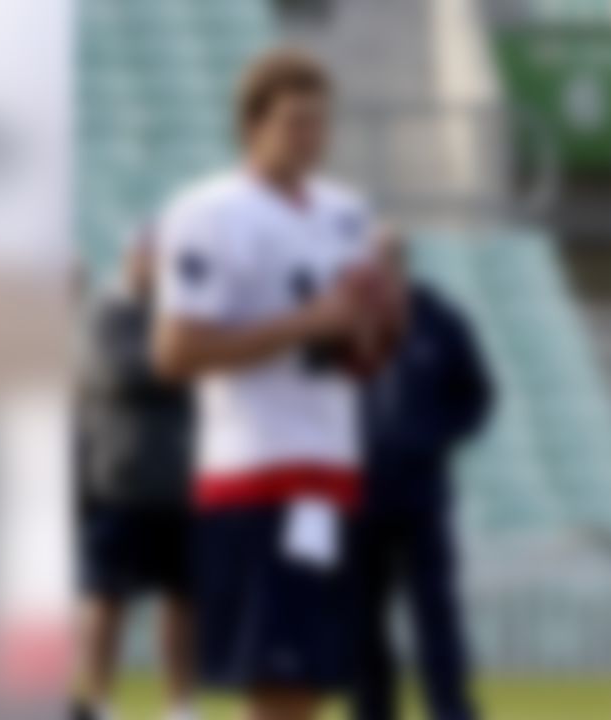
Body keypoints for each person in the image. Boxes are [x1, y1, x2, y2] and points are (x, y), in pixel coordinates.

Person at [150, 48, 401, 720]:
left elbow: (361, 352)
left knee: (309, 682)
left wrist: (379, 317)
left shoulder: (346, 210)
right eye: (294, 122)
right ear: (251, 126)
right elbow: (175, 352)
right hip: (257, 468)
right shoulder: (207, 212)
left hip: (331, 464)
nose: (311, 137)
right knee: (280, 683)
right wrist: (309, 320)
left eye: (320, 123)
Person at [352, 266, 494, 720]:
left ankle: (451, 710)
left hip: (423, 496)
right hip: (355, 498)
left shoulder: (440, 319)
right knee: (360, 620)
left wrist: (434, 436)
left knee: (436, 616)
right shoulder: (337, 319)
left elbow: (477, 394)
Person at [72, 232, 198, 720]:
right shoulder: (106, 311)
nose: (156, 265)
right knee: (107, 600)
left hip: (180, 481)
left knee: (183, 601)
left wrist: (184, 361)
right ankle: (99, 702)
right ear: (130, 259)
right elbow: (121, 372)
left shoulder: (181, 315)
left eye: (163, 256)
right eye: (148, 255)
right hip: (118, 482)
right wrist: (185, 360)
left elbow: (198, 375)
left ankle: (181, 706)